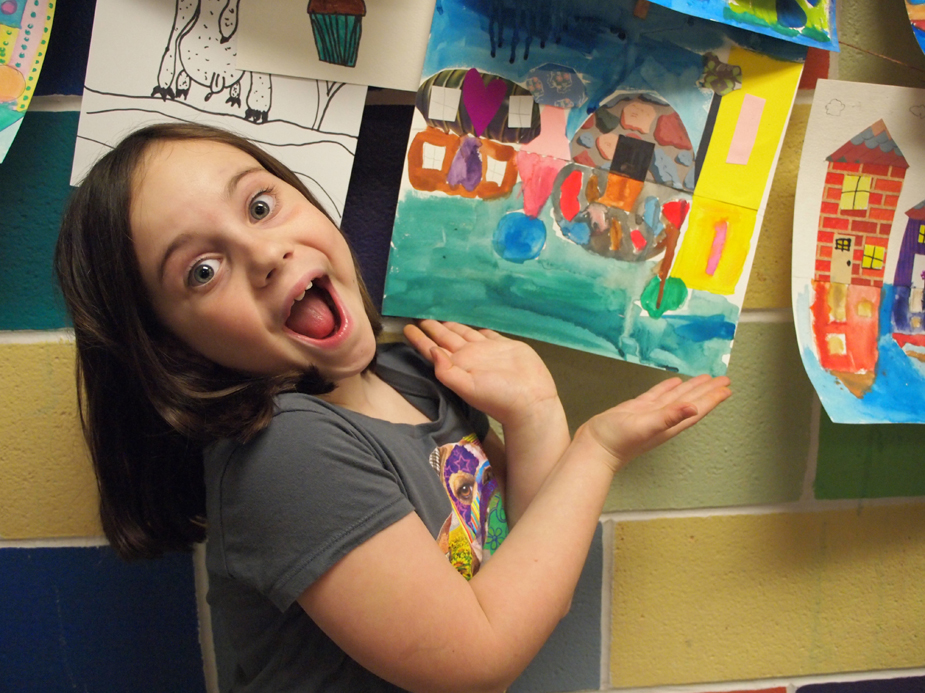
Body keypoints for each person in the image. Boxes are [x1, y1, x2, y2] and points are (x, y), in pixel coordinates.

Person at [55, 122, 731, 693]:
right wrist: (597, 448)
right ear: (169, 347)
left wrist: (534, 414)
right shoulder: (283, 453)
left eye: (260, 206)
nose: (264, 253)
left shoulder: (410, 375)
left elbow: (530, 568)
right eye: (201, 270)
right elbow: (480, 653)